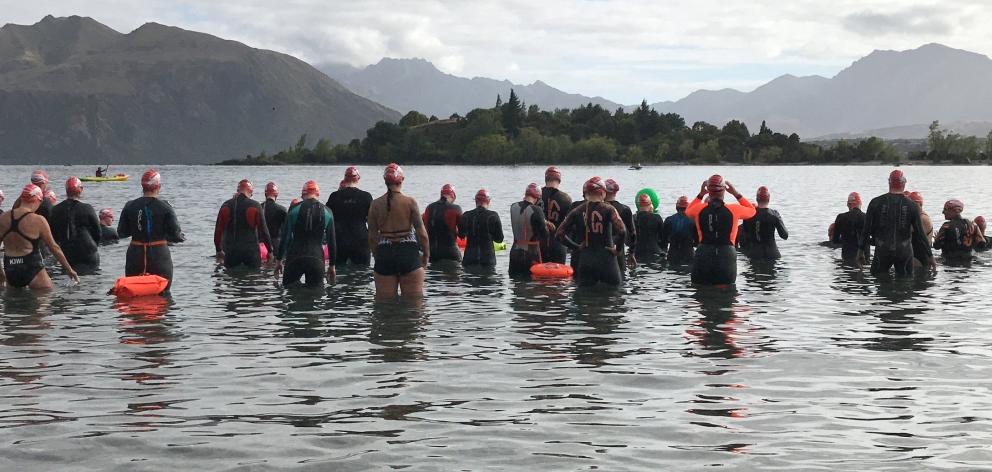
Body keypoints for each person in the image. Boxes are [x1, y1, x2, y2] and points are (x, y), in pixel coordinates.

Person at [0, 184, 79, 289]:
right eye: (40, 201)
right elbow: (54, 247)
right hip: (31, 266)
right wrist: (69, 270)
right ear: (36, 200)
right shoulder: (38, 220)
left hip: (10, 268)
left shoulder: (2, 218)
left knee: (11, 303)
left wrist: (1, 274)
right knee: (46, 300)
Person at [368, 164, 429, 298]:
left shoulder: (375, 204)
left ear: (385, 181)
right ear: (401, 180)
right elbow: (422, 234)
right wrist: (426, 256)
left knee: (384, 305)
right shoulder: (410, 202)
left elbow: (372, 237)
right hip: (409, 253)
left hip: (385, 252)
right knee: (414, 307)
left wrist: (377, 256)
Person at [118, 169, 185, 291]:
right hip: (159, 256)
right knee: (162, 295)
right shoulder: (165, 207)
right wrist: (179, 236)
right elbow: (175, 235)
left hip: (135, 255)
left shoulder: (129, 205)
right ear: (158, 186)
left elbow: (122, 233)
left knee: (134, 293)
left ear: (142, 186)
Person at [860, 170, 935, 276]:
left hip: (882, 249)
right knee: (905, 285)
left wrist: (861, 250)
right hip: (904, 250)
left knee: (880, 282)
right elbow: (920, 233)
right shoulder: (912, 205)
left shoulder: (875, 202)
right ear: (904, 183)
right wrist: (930, 256)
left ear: (889, 183)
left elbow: (866, 230)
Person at [685, 175, 756, 285]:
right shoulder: (734, 210)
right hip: (726, 254)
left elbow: (687, 211)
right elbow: (752, 210)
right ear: (724, 191)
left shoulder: (699, 209)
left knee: (701, 291)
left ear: (708, 191)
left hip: (704, 252)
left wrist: (700, 194)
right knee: (727, 294)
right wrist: (735, 193)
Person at [556, 177, 627, 287]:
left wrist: (576, 247)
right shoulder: (609, 209)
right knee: (614, 296)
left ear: (587, 193)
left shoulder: (578, 210)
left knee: (584, 297)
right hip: (607, 260)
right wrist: (618, 250)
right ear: (603, 193)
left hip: (586, 260)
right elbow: (622, 231)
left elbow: (559, 234)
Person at [274, 180, 336, 287]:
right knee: (315, 297)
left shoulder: (294, 209)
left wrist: (279, 260)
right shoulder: (327, 212)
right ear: (318, 194)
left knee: (289, 294)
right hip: (316, 258)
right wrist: (332, 265)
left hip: (295, 257)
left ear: (303, 194)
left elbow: (286, 238)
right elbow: (332, 242)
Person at [214, 179, 273, 270]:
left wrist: (218, 250)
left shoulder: (225, 205)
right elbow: (264, 231)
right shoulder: (255, 206)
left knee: (231, 280)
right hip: (251, 252)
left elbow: (218, 231)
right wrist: (270, 251)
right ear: (251, 192)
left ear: (238, 191)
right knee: (252, 278)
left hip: (231, 252)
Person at [49, 177, 102, 269]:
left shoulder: (55, 210)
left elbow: (53, 234)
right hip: (88, 252)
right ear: (80, 190)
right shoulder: (87, 208)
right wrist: (94, 245)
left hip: (67, 254)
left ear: (66, 191)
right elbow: (98, 232)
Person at [326, 167, 373, 266]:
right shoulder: (366, 197)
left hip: (340, 241)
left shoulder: (334, 196)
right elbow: (372, 222)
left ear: (345, 179)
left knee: (339, 274)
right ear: (358, 179)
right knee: (362, 275)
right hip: (361, 241)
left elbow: (327, 220)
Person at [509, 183, 549, 277]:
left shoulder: (513, 206)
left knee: (516, 286)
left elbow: (523, 219)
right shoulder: (537, 210)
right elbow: (544, 234)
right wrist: (545, 225)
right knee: (532, 287)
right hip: (530, 253)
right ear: (538, 197)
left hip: (515, 251)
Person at [739, 186, 788, 260]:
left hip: (754, 254)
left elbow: (745, 234)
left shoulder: (749, 214)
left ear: (757, 199)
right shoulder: (774, 215)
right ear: (768, 199)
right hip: (772, 254)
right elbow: (784, 235)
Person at [459, 189, 504, 267]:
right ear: (488, 201)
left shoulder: (466, 215)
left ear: (476, 201)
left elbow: (461, 235)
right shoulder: (493, 216)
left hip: (469, 259)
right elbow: (499, 239)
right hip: (487, 260)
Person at [933, 199, 985, 264]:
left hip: (949, 261)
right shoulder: (973, 224)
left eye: (945, 209)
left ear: (955, 210)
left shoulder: (946, 226)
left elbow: (937, 246)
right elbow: (982, 244)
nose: (943, 212)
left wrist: (936, 240)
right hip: (968, 260)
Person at [422, 184, 462, 263]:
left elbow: (424, 228)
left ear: (441, 194)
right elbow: (462, 234)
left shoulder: (429, 208)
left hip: (432, 254)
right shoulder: (456, 208)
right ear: (453, 196)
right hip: (451, 253)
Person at [539, 166, 572, 264]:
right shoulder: (565, 198)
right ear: (559, 180)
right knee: (558, 277)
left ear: (546, 179)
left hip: (539, 243)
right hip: (558, 243)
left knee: (538, 276)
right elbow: (571, 225)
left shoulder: (537, 196)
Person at [604, 179, 635, 276]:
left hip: (601, 250)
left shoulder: (597, 208)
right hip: (619, 250)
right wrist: (631, 253)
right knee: (621, 280)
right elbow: (633, 234)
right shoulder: (625, 209)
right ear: (616, 192)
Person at [831, 192, 867, 264]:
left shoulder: (840, 217)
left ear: (848, 204)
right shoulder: (867, 217)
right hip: (864, 256)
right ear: (860, 204)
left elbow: (835, 240)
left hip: (847, 256)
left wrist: (846, 241)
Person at [663, 196, 697, 265]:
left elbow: (664, 240)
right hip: (689, 254)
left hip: (672, 254)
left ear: (676, 207)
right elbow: (698, 241)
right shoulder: (694, 220)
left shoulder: (669, 220)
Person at [906, 191, 934, 269]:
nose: (910, 206)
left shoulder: (922, 218)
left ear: (920, 204)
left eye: (914, 203)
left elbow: (908, 233)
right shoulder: (915, 217)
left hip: (921, 258)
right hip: (915, 255)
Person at [633, 193, 664, 260]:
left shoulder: (633, 218)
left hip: (637, 251)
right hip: (655, 250)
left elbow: (628, 238)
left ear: (638, 205)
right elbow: (663, 237)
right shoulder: (657, 217)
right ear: (650, 204)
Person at [261, 182, 287, 255]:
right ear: (276, 194)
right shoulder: (281, 209)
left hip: (261, 246)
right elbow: (287, 231)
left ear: (265, 194)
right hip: (276, 245)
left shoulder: (259, 207)